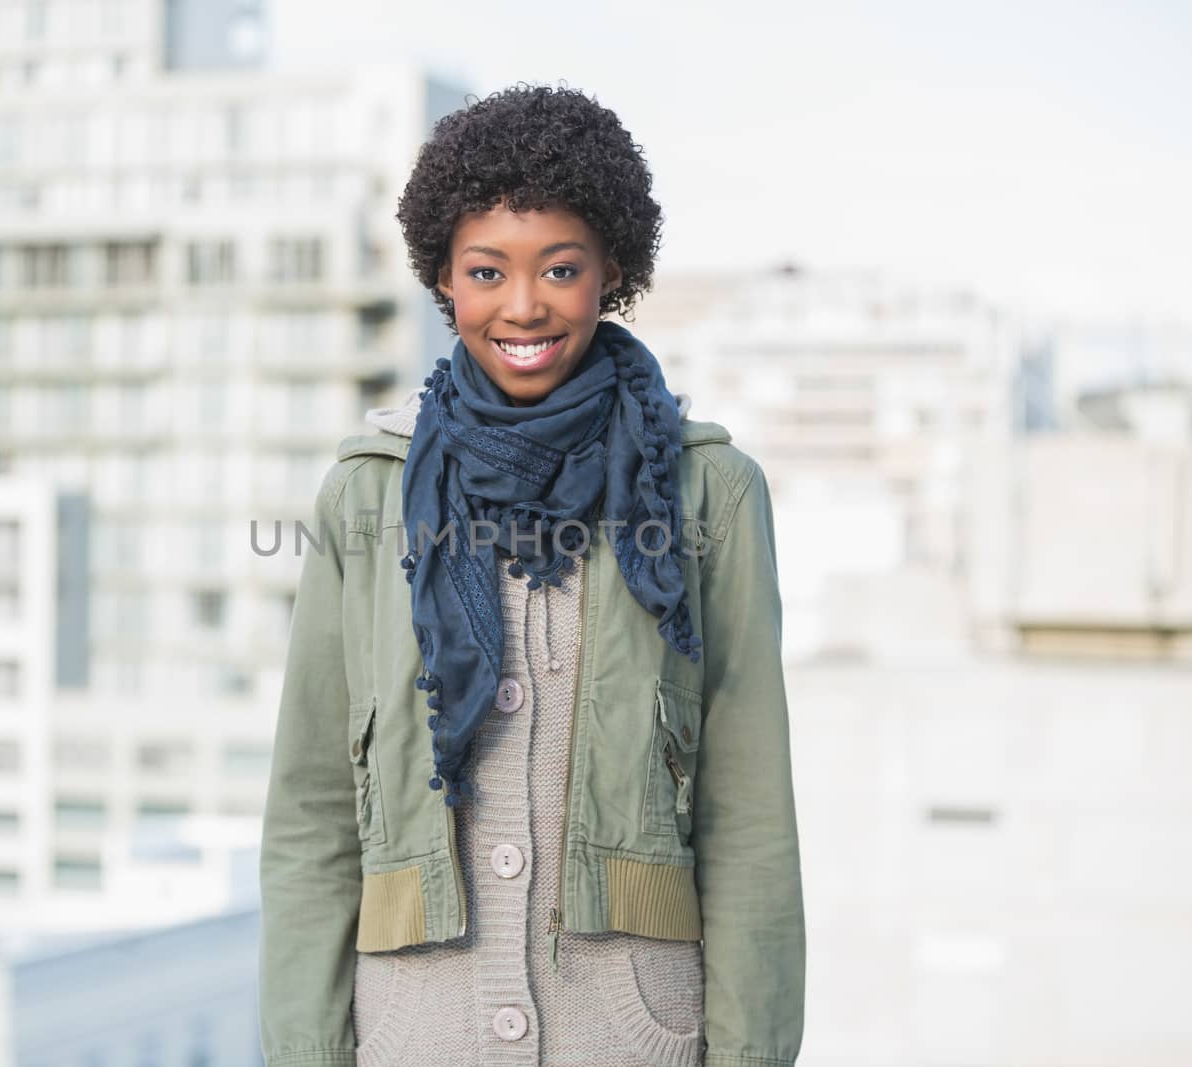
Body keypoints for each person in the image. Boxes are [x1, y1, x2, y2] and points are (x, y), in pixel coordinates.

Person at [258, 83, 805, 1067]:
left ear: (614, 273)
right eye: (485, 270)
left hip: (633, 1033)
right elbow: (310, 814)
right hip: (409, 1033)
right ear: (442, 280)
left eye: (559, 266)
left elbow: (750, 817)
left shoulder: (708, 492)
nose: (522, 305)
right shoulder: (364, 494)